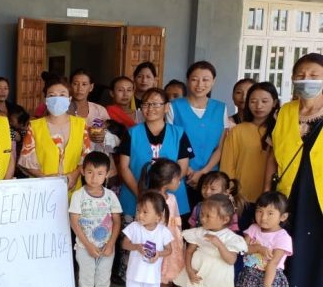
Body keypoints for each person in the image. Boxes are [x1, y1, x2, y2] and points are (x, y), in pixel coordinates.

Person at [264, 53, 323, 287]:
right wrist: (267, 195)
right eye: (301, 73)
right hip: (291, 195)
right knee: (294, 261)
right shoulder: (286, 111)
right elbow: (274, 156)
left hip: (321, 199)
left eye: (314, 73)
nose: (306, 79)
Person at [68, 151, 121, 287]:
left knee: (102, 280)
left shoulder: (110, 196)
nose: (94, 177)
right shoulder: (78, 196)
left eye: (100, 173)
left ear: (107, 174)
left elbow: (116, 221)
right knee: (86, 279)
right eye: (90, 172)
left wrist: (111, 244)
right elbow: (74, 221)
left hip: (107, 248)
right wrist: (88, 245)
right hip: (85, 247)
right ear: (83, 171)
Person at [118, 88, 192, 217]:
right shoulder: (131, 133)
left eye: (156, 104)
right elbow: (124, 167)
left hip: (171, 198)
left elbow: (183, 168)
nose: (150, 108)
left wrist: (163, 193)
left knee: (172, 235)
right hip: (134, 196)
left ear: (167, 107)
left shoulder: (179, 133)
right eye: (146, 104)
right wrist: (141, 194)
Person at [167, 61, 229, 206]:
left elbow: (220, 147)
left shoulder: (221, 108)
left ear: (213, 81)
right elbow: (171, 143)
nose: (200, 84)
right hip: (181, 174)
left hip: (211, 179)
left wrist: (203, 172)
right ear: (188, 81)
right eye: (195, 79)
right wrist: (187, 170)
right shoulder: (174, 106)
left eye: (206, 79)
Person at [18, 76, 90, 193]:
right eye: (52, 95)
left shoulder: (81, 125)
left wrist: (75, 175)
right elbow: (26, 161)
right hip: (42, 191)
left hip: (73, 190)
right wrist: (44, 178)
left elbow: (86, 158)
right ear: (46, 100)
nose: (57, 99)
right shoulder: (35, 126)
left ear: (69, 99)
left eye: (62, 95)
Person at [121, 190, 174, 287]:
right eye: (138, 211)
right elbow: (124, 244)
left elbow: (169, 250)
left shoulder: (163, 231)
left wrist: (158, 254)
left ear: (158, 216)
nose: (140, 215)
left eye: (145, 212)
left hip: (152, 277)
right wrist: (136, 247)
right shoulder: (134, 227)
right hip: (134, 275)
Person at [141, 158, 185, 287]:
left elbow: (176, 220)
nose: (179, 182)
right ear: (167, 180)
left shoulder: (172, 198)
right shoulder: (150, 199)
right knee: (148, 281)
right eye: (178, 179)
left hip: (168, 246)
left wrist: (178, 239)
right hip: (152, 245)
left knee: (164, 282)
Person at [220, 82, 280, 204]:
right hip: (241, 198)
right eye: (253, 101)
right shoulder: (238, 130)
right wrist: (231, 192)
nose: (258, 106)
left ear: (274, 103)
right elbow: (227, 166)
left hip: (271, 200)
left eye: (264, 101)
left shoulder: (279, 131)